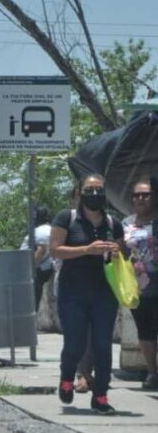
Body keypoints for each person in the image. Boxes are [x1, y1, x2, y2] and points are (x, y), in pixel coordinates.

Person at [51, 174, 124, 414]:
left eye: (99, 189)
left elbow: (123, 256)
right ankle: (66, 377)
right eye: (89, 189)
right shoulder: (67, 218)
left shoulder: (113, 223)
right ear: (80, 192)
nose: (95, 194)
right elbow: (56, 250)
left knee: (103, 345)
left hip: (105, 292)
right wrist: (87, 249)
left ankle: (100, 395)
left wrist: (116, 251)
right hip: (73, 292)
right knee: (75, 343)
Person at [123, 176, 158, 390]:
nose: (141, 198)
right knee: (145, 329)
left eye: (146, 194)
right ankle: (152, 372)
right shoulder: (126, 223)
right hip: (139, 285)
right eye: (137, 195)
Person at [20, 206, 55, 313]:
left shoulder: (41, 231)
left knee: (32, 301)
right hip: (42, 268)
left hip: (37, 270)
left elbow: (41, 250)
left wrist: (31, 270)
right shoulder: (49, 229)